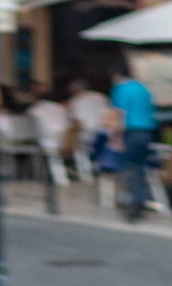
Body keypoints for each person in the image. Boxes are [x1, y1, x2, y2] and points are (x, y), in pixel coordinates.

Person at [110, 68, 160, 219]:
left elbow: (119, 114)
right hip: (148, 132)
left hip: (131, 132)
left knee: (129, 168)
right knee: (139, 167)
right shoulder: (144, 88)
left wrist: (116, 136)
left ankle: (133, 205)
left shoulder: (120, 89)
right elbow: (153, 109)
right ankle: (141, 201)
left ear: (116, 75)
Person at [66, 79, 113, 183]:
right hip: (105, 131)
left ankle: (86, 175)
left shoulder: (76, 100)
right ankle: (101, 172)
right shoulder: (101, 97)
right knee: (100, 151)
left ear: (73, 90)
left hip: (87, 132)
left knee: (80, 151)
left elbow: (77, 121)